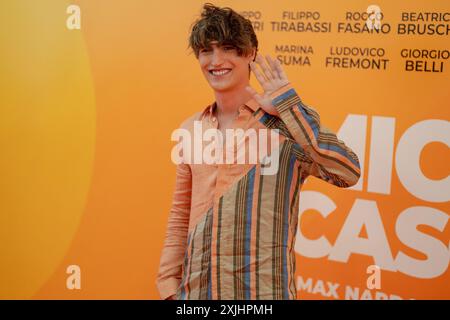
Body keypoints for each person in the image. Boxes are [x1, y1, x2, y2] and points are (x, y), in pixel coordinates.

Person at [156, 3, 361, 300]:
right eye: (206, 50)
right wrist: (169, 288)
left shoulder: (287, 125)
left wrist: (289, 109)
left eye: (228, 48)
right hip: (198, 295)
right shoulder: (191, 129)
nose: (216, 60)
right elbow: (180, 214)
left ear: (251, 53)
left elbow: (348, 172)